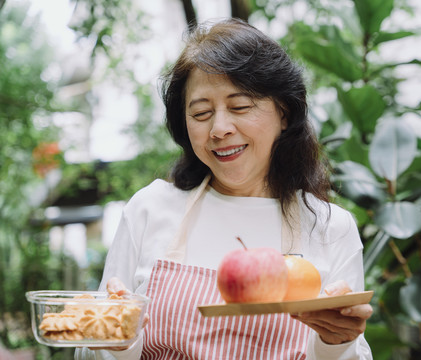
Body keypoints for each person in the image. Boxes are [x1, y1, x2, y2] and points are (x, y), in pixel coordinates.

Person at [76, 17, 373, 360]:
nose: (219, 129)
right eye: (201, 113)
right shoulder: (150, 209)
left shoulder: (329, 227)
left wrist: (335, 344)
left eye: (240, 107)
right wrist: (118, 342)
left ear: (284, 113)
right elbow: (87, 350)